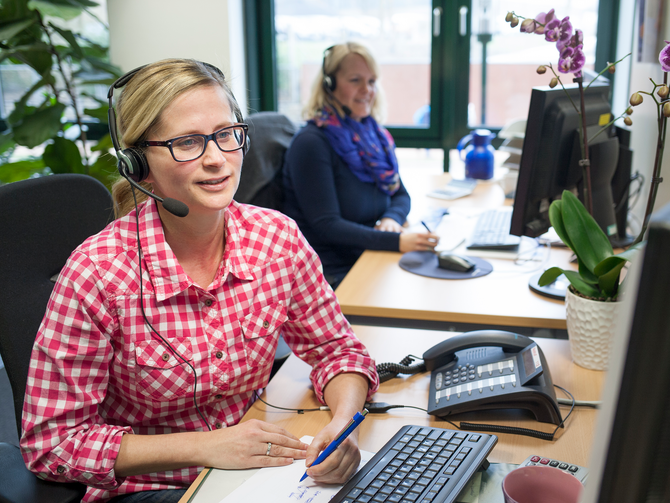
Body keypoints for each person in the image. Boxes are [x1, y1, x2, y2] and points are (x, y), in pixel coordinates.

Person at [20, 58, 379, 503]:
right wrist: (207, 446)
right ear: (139, 165)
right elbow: (51, 444)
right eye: (188, 142)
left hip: (257, 474)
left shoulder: (276, 239)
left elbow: (336, 350)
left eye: (226, 135)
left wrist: (343, 422)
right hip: (151, 489)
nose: (216, 159)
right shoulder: (98, 274)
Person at [282, 42, 439, 288]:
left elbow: (400, 195)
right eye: (355, 80)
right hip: (332, 274)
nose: (367, 90)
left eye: (372, 81)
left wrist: (391, 219)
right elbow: (327, 225)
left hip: (370, 254)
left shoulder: (373, 137)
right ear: (329, 84)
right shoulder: (312, 143)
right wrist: (395, 242)